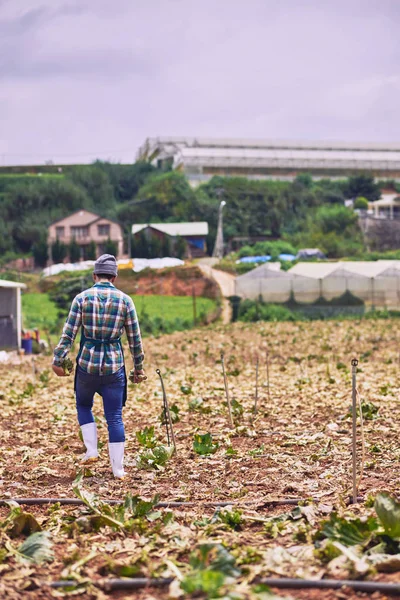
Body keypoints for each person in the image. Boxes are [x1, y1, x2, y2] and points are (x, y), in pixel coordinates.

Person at [52, 254, 145, 479]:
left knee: (83, 405)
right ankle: (118, 469)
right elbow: (135, 339)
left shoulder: (81, 299)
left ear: (95, 275)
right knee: (114, 416)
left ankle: (92, 450)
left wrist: (58, 359)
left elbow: (69, 333)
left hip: (87, 366)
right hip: (114, 367)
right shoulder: (125, 301)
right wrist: (138, 368)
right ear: (114, 276)